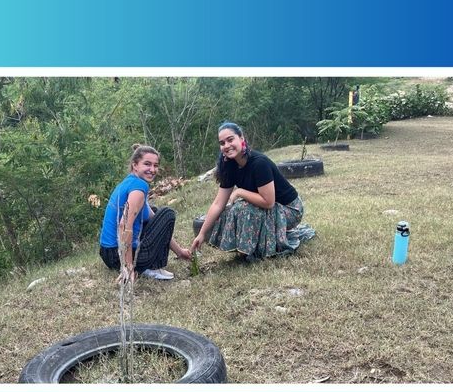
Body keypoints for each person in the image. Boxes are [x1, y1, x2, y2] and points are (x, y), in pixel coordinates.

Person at [191, 121, 312, 262]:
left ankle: (254, 251)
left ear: (241, 138)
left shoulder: (259, 163)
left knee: (243, 207)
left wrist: (240, 192)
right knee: (228, 209)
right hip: (271, 207)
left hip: (290, 210)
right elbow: (218, 204)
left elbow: (268, 202)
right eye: (222, 143)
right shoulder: (230, 166)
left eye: (230, 140)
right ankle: (246, 249)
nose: (226, 145)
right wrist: (201, 234)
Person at [99, 144, 191, 283]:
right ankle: (152, 267)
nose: (152, 169)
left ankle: (141, 264)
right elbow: (124, 225)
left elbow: (156, 222)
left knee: (156, 212)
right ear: (135, 165)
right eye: (147, 164)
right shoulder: (139, 186)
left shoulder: (129, 182)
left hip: (107, 254)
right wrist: (128, 267)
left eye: (155, 165)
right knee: (167, 213)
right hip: (118, 256)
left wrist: (179, 252)